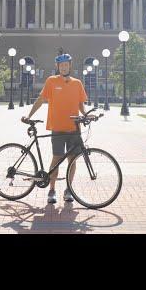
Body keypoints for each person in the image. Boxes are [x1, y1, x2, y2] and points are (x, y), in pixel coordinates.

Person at [22, 49, 88, 204]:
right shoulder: (51, 81)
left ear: (70, 66)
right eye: (61, 65)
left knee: (72, 160)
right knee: (57, 158)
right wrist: (29, 115)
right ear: (58, 67)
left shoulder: (77, 83)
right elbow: (41, 99)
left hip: (74, 128)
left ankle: (68, 190)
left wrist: (85, 115)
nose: (63, 67)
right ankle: (51, 190)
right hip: (57, 127)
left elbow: (80, 104)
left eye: (66, 65)